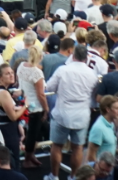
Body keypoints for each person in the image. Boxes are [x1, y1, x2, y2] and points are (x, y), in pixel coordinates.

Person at [46, 45, 99, 179]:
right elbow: (94, 97)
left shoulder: (63, 70)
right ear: (86, 57)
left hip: (62, 114)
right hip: (81, 116)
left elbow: (50, 87)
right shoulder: (91, 74)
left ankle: (54, 176)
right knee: (78, 147)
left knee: (57, 146)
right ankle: (74, 176)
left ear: (73, 55)